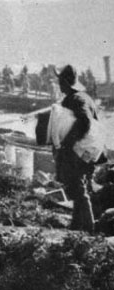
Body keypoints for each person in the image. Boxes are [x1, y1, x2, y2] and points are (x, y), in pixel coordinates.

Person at [55, 65, 103, 232]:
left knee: (79, 189)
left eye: (60, 81)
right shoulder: (84, 97)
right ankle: (76, 227)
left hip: (80, 151)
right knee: (78, 187)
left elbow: (85, 122)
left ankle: (90, 230)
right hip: (91, 150)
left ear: (66, 82)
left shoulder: (77, 99)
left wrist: (68, 143)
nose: (58, 85)